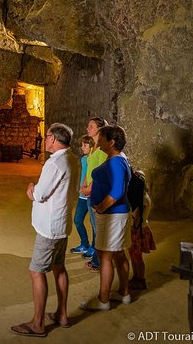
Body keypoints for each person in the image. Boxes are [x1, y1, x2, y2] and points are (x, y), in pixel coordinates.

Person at [11, 123, 79, 337]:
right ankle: (62, 314)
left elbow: (40, 194)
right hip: (61, 223)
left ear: (53, 139)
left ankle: (37, 324)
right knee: (59, 267)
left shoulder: (55, 163)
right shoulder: (73, 159)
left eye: (48, 135)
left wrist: (31, 187)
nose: (46, 139)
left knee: (37, 271)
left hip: (49, 227)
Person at [80, 124, 132, 311]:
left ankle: (103, 300)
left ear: (111, 142)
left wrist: (101, 207)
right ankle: (124, 293)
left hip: (112, 215)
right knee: (117, 253)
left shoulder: (116, 161)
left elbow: (117, 190)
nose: (98, 140)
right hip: (116, 214)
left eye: (101, 138)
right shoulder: (116, 159)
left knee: (105, 255)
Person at [79, 116, 109, 272]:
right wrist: (84, 182)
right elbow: (90, 169)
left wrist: (89, 189)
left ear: (99, 129)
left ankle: (99, 262)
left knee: (98, 228)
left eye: (90, 126)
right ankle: (97, 258)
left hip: (97, 193)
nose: (87, 128)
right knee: (95, 226)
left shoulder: (102, 151)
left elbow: (102, 174)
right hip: (91, 193)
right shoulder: (94, 148)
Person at [128, 172, 156, 290]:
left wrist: (132, 229)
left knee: (137, 257)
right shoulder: (144, 197)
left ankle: (141, 279)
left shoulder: (143, 199)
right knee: (133, 255)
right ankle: (136, 277)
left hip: (139, 231)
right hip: (139, 229)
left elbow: (137, 219)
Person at [69, 135, 95, 255]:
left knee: (94, 224)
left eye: (85, 145)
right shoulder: (84, 159)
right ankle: (85, 244)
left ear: (92, 146)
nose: (82, 147)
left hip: (91, 194)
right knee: (77, 220)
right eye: (82, 145)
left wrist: (86, 187)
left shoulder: (95, 159)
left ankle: (94, 248)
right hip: (82, 195)